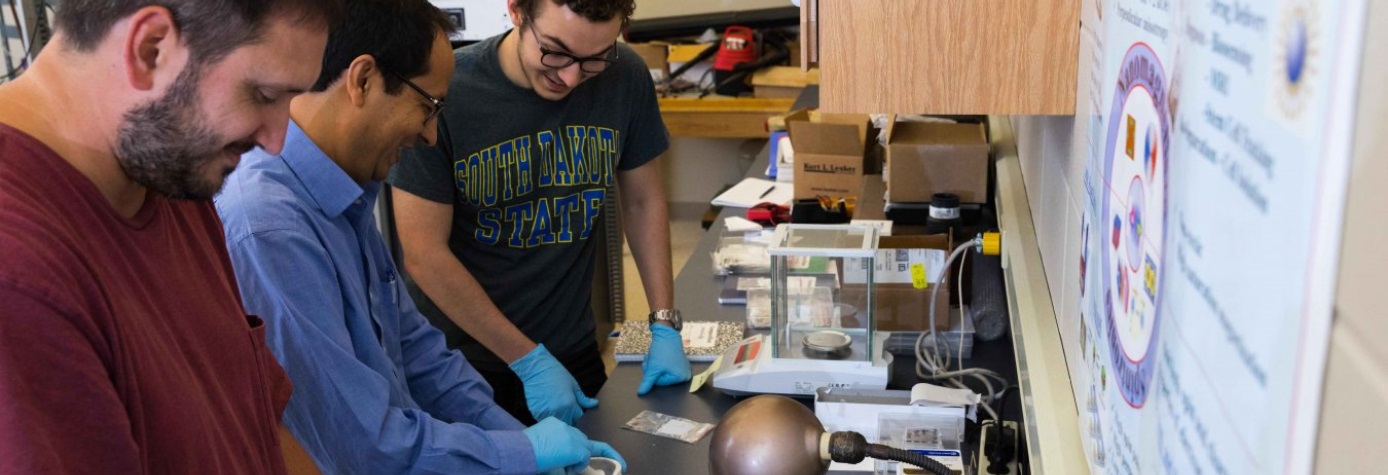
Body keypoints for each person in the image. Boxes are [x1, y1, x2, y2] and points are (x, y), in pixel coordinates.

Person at [214, 0, 626, 473]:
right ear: (363, 80)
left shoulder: (342, 188)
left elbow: (415, 350)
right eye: (427, 106)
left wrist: (514, 435)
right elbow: (362, 442)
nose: (431, 135)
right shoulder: (270, 228)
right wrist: (520, 453)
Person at [0, 0, 343, 473]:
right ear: (151, 48)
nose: (276, 140)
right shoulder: (19, 275)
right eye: (264, 95)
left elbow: (258, 426)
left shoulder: (170, 171)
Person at [388, 0, 690, 427]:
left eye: (593, 59)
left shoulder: (625, 77)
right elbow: (423, 254)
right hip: (463, 366)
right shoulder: (449, 91)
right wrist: (528, 360)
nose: (569, 76)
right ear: (515, 11)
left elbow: (642, 201)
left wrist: (663, 322)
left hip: (572, 350)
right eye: (555, 51)